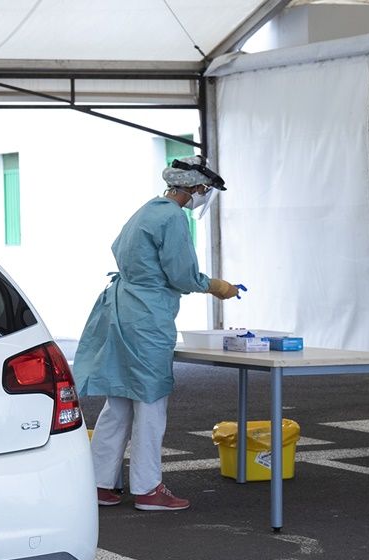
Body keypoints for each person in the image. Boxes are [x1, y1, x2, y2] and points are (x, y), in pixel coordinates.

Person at [73, 156, 244, 511]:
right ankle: (148, 489)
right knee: (150, 403)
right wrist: (217, 286)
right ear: (196, 188)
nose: (203, 196)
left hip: (121, 312)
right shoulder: (173, 218)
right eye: (205, 191)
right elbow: (181, 274)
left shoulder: (146, 210)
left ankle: (99, 484)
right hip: (147, 317)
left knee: (118, 401)